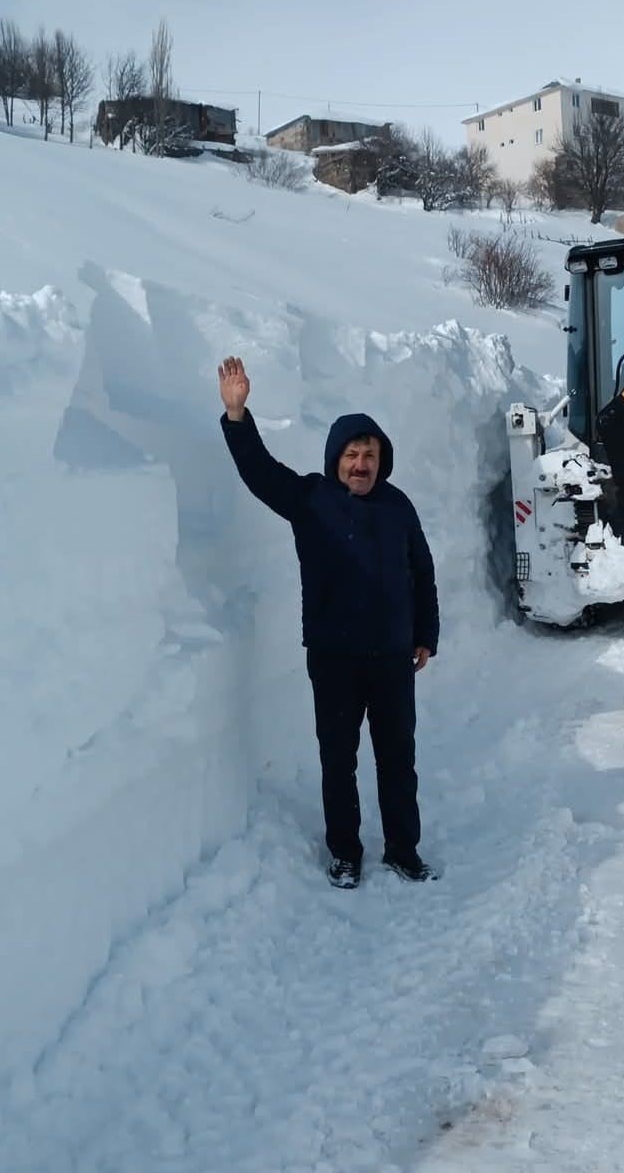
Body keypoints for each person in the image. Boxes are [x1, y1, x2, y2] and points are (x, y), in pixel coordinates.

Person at [218, 355, 439, 889]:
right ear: (335, 458)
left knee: (397, 760)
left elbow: (422, 572)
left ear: (381, 461)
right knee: (339, 762)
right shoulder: (310, 499)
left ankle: (403, 850)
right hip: (334, 657)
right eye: (351, 454)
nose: (360, 463)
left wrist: (426, 636)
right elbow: (260, 472)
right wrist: (237, 415)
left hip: (390, 656)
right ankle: (345, 852)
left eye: (370, 454)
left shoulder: (398, 506)